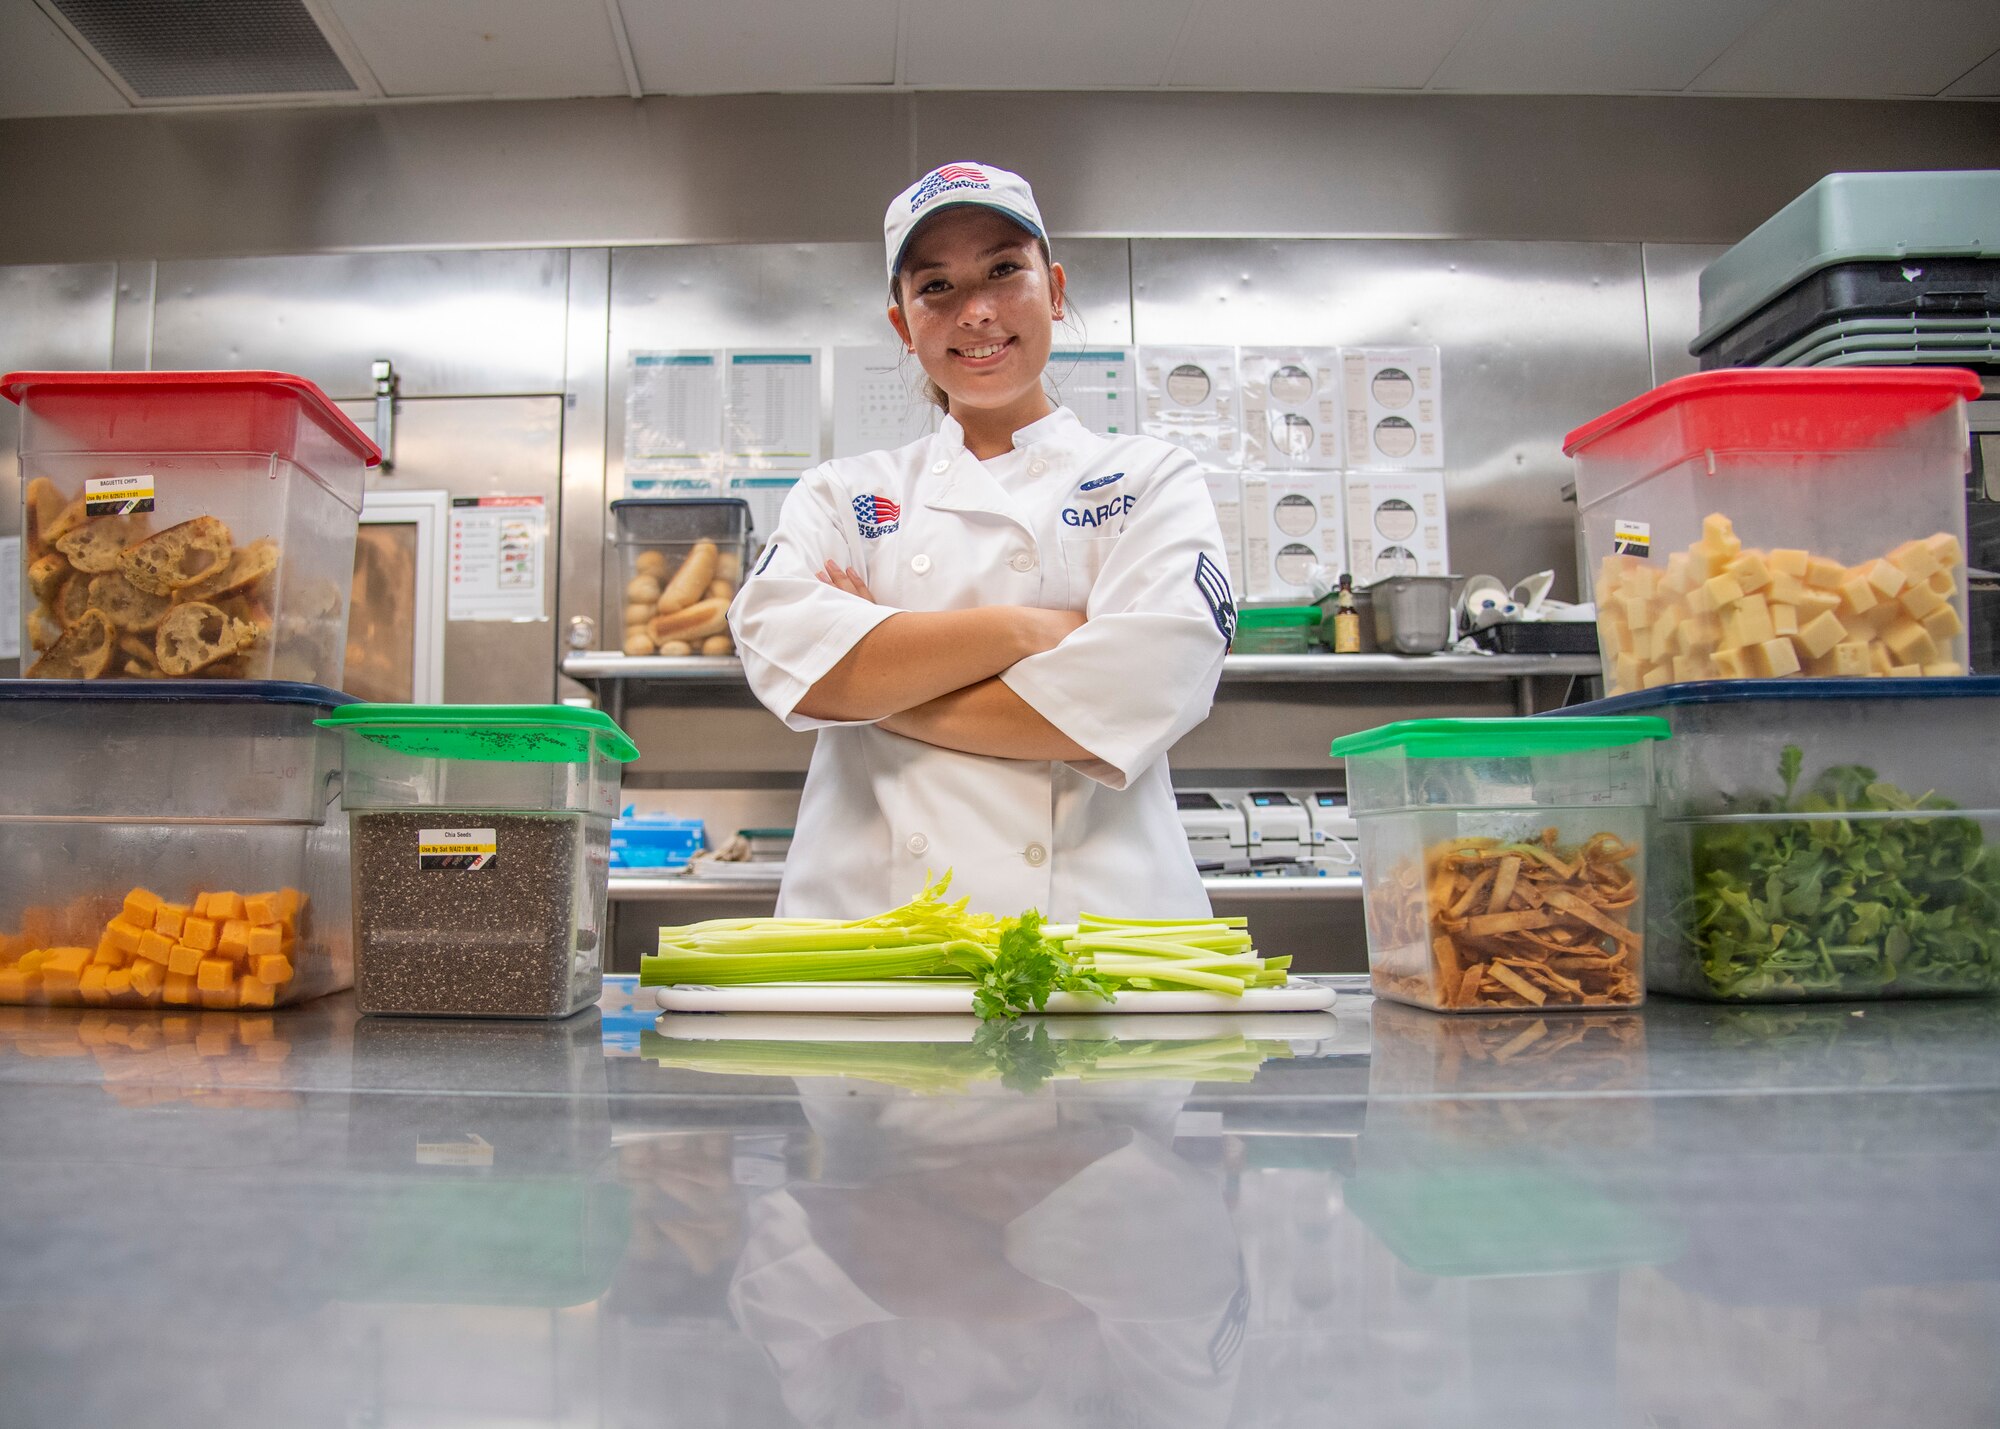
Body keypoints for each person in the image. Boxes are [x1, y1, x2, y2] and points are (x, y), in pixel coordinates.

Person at [731, 161, 1235, 921]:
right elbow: (780, 649)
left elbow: (1126, 696)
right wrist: (1026, 630)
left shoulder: (1150, 479)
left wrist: (876, 687)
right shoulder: (842, 493)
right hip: (872, 940)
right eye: (937, 286)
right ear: (903, 325)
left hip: (1094, 940)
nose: (976, 312)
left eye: (1004, 270)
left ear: (1054, 290)